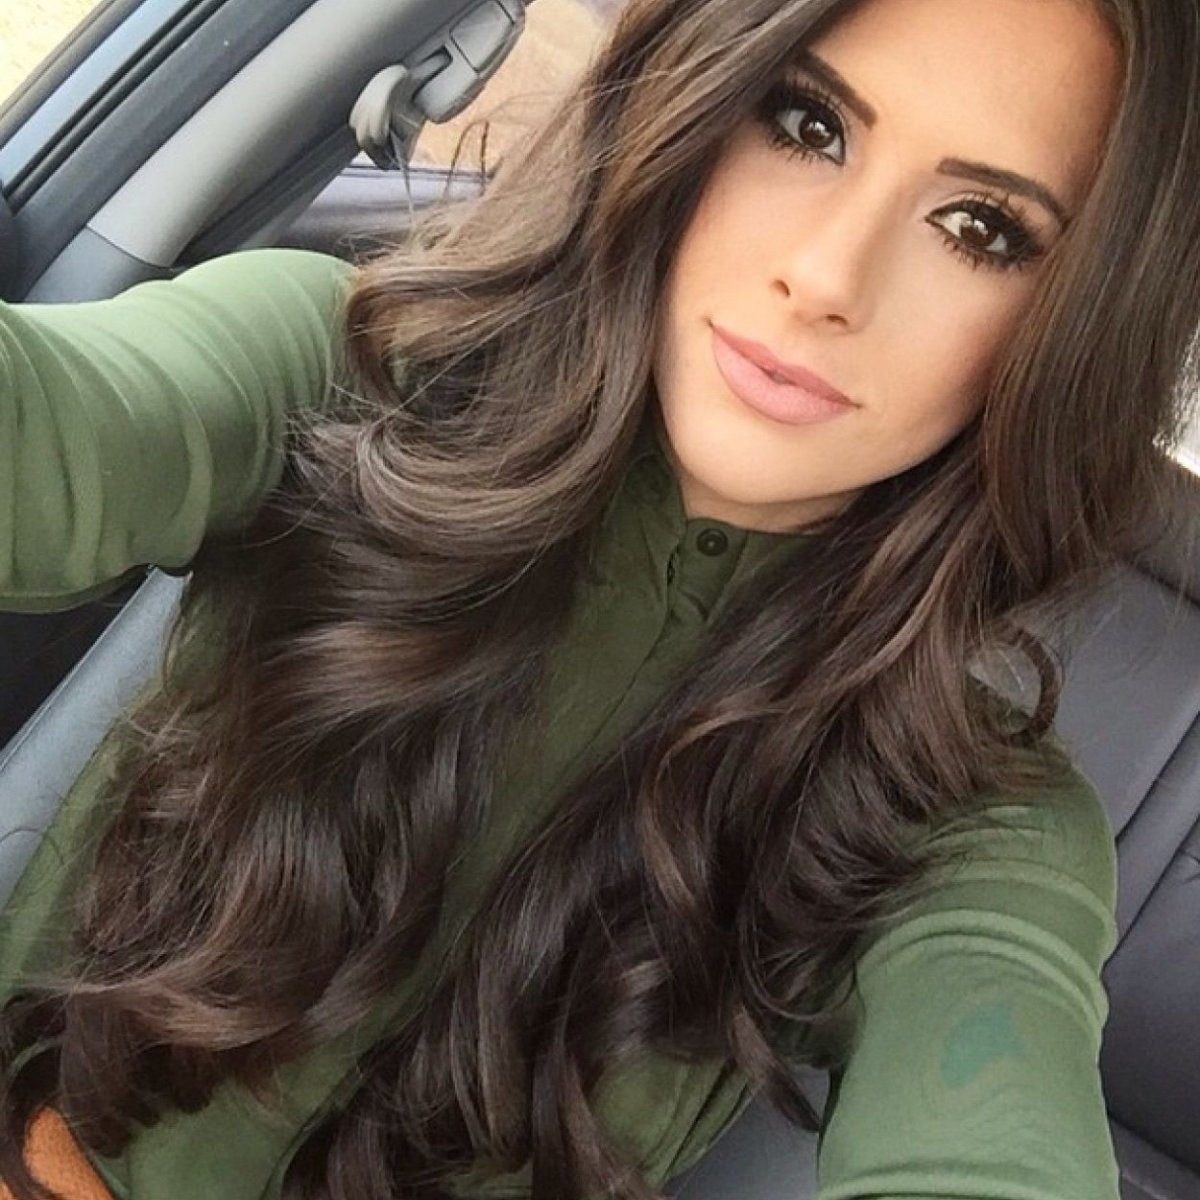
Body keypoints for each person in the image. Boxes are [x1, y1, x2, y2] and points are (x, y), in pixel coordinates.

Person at [0, 0, 1197, 1197]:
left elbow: (992, 1120)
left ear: (1077, 324)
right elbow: (52, 423)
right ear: (693, 104)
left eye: (981, 229)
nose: (826, 276)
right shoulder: (339, 367)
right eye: (806, 124)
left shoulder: (976, 819)